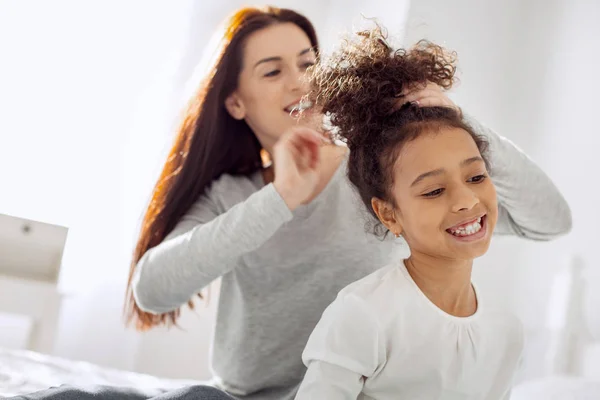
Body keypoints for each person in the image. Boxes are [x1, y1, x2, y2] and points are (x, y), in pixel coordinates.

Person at [13, 5, 571, 400]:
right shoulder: (233, 196)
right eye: (273, 70)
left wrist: (457, 117)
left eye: (308, 62)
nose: (300, 81)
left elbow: (548, 221)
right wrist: (282, 197)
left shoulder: (378, 179)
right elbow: (154, 290)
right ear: (236, 101)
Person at [294, 30, 567, 399]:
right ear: (389, 215)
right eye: (434, 191)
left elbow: (555, 219)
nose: (465, 200)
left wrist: (461, 118)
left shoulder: (506, 331)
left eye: (476, 176)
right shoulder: (363, 315)